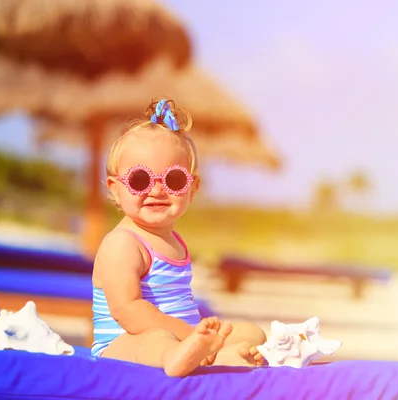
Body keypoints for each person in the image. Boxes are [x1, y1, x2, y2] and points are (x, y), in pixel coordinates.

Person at [91, 98, 267, 377]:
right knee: (156, 341)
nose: (157, 190)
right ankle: (184, 356)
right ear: (115, 189)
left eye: (173, 180)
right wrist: (188, 334)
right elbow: (127, 310)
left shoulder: (173, 240)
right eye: (140, 180)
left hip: (186, 338)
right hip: (123, 344)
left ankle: (212, 353)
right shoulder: (122, 243)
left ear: (192, 188)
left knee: (251, 332)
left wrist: (196, 337)